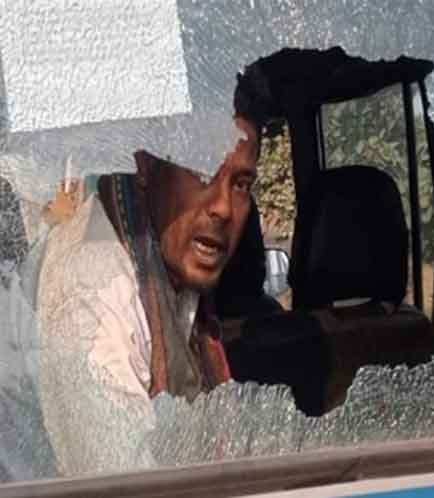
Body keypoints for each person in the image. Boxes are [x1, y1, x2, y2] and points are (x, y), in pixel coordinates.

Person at [31, 71, 268, 477]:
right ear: (147, 165)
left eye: (241, 184)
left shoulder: (175, 282)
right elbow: (122, 485)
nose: (224, 208)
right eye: (202, 172)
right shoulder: (95, 290)